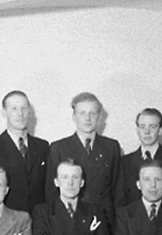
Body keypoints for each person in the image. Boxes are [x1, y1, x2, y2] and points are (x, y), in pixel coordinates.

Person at [46, 92, 120, 227]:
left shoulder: (111, 147)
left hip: (103, 220)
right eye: (82, 113)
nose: (88, 118)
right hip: (71, 220)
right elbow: (51, 192)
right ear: (74, 116)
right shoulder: (59, 148)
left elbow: (116, 189)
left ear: (99, 116)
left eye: (93, 113)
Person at [0, 90, 48, 213]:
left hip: (39, 218)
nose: (20, 114)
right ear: (4, 113)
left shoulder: (43, 146)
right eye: (14, 109)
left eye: (24, 108)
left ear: (30, 112)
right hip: (7, 218)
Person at [116, 107, 162, 211]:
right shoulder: (124, 163)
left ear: (160, 130)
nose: (147, 132)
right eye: (142, 127)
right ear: (137, 130)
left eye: (152, 127)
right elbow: (120, 203)